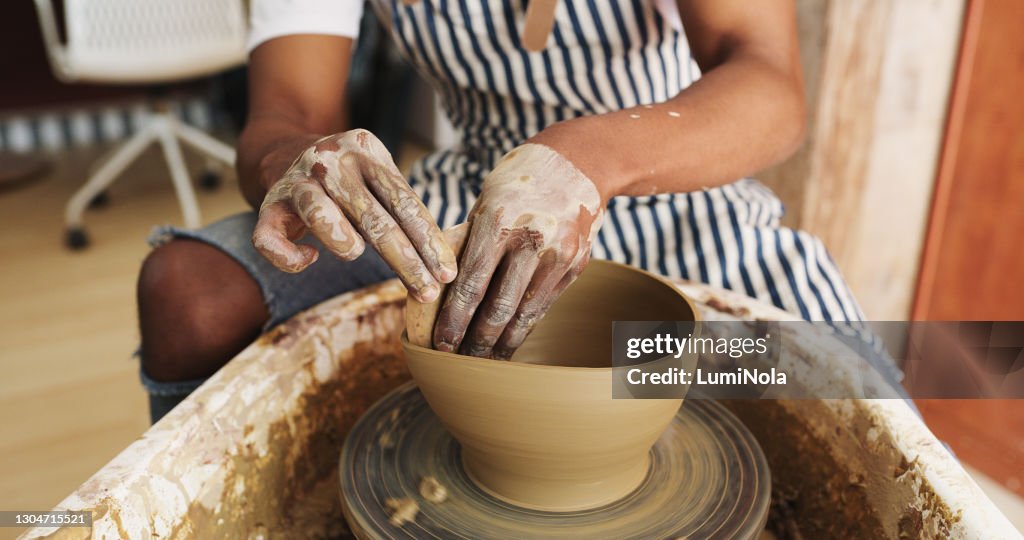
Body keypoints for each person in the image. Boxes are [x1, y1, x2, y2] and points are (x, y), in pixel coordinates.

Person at [137, 0, 877, 422]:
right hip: (473, 190)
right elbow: (285, 109)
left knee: (861, 406)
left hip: (672, 177)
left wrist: (589, 160)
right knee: (187, 290)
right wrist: (292, 162)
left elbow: (769, 81)